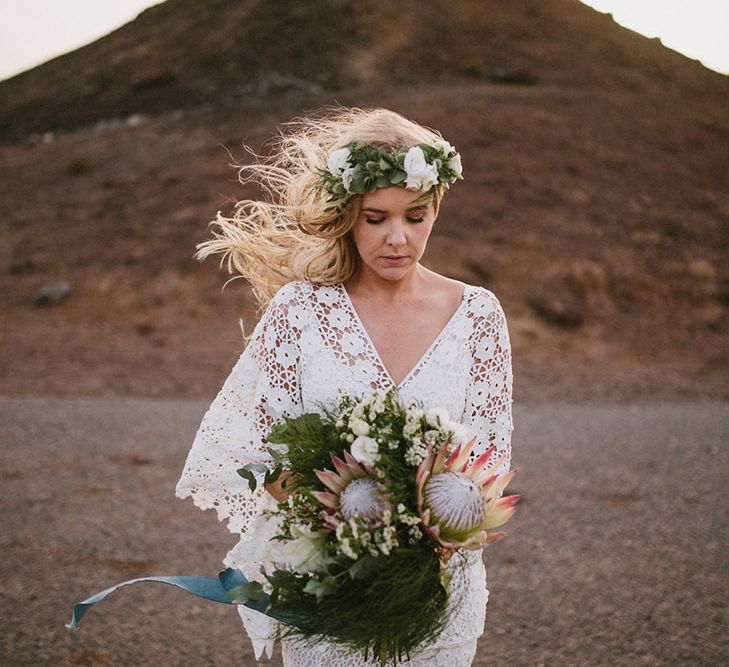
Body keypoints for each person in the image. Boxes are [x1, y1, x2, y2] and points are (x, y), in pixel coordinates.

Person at [175, 105, 514, 666]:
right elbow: (265, 462)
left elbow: (489, 464)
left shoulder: (478, 314)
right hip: (327, 597)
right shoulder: (300, 312)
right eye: (375, 218)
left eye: (416, 215)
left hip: (439, 599)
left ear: (437, 208)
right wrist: (353, 524)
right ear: (346, 216)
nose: (398, 238)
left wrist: (417, 539)